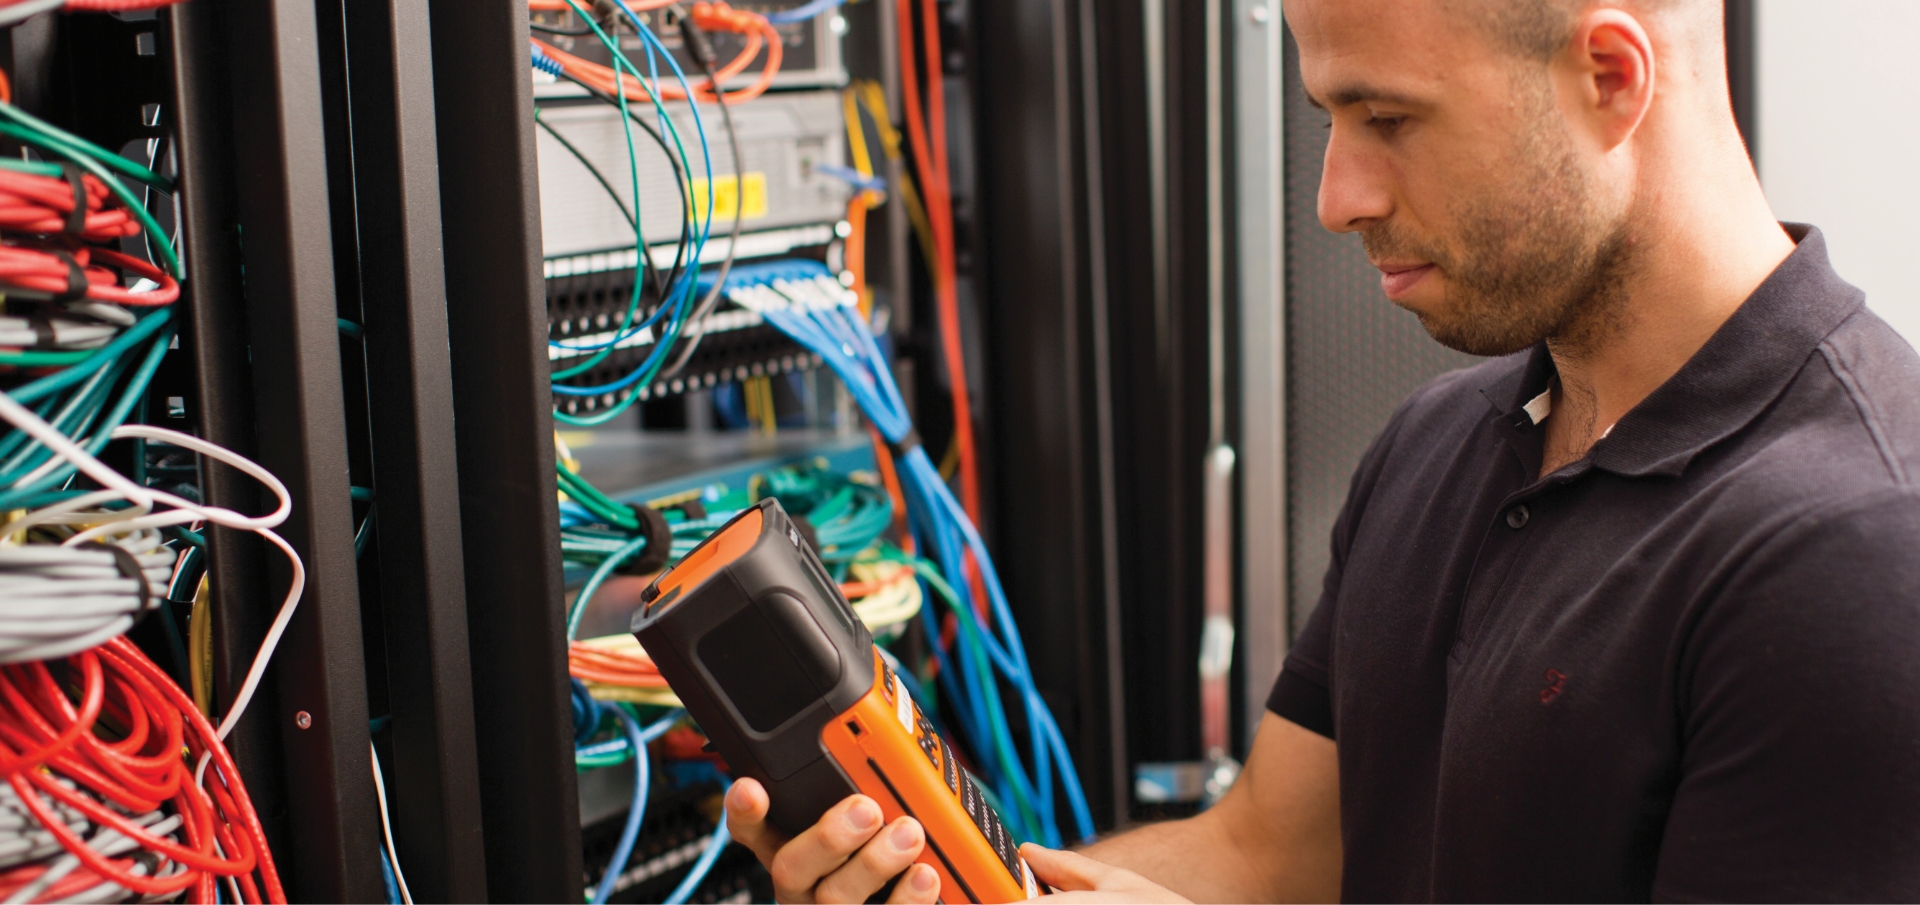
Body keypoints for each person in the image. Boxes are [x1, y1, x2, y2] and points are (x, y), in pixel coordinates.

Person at [723, 0, 1920, 899]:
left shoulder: (1854, 552)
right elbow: (1272, 848)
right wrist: (965, 880)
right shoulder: (1438, 445)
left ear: (1610, 74)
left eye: (1386, 117)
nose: (1337, 196)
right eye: (1330, 118)